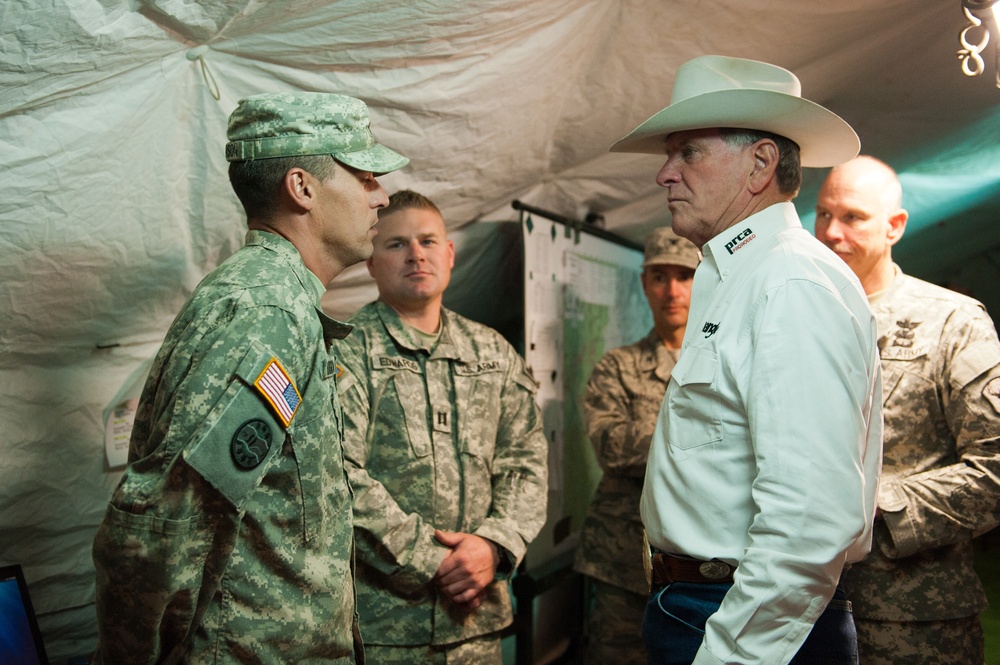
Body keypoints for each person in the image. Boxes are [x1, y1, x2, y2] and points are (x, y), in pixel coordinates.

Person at [91, 92, 408, 664]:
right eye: (364, 175)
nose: (381, 195)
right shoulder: (267, 312)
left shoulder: (280, 303)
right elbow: (160, 527)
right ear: (302, 187)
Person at [609, 55, 883, 664]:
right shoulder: (739, 274)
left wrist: (730, 655)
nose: (664, 175)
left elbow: (810, 518)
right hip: (707, 606)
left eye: (688, 153)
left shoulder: (789, 282)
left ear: (759, 163)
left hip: (743, 622)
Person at [335, 190, 548, 663]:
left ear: (449, 254)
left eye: (428, 241)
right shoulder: (347, 354)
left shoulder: (493, 354)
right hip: (384, 628)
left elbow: (525, 464)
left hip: (476, 626)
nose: (415, 254)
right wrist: (437, 561)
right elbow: (338, 477)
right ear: (370, 262)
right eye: (395, 244)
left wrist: (493, 547)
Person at [814, 155, 1000, 665]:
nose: (831, 232)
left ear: (894, 226)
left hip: (914, 624)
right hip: (800, 611)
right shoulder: (794, 315)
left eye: (852, 217)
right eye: (823, 214)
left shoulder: (951, 323)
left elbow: (996, 467)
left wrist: (877, 506)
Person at [573, 226, 699, 665]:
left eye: (684, 276)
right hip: (624, 561)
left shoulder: (724, 362)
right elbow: (610, 444)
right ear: (645, 284)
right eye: (659, 276)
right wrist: (702, 441)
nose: (672, 289)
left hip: (706, 561)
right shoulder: (618, 366)